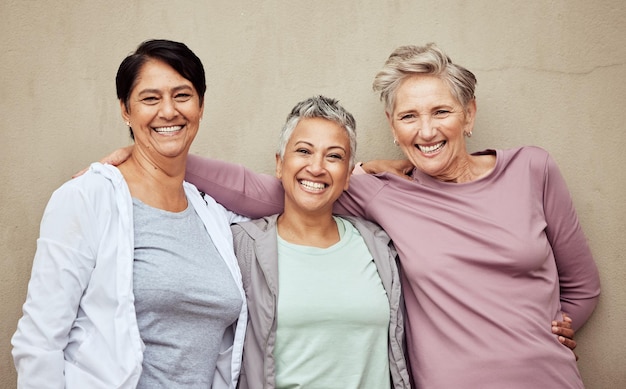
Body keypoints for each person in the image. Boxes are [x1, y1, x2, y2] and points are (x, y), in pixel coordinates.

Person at [177, 43, 601, 388]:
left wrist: (562, 325)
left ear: (468, 114)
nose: (426, 131)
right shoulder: (379, 192)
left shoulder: (532, 169)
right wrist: (163, 156)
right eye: (409, 117)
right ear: (393, 127)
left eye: (441, 111)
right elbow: (270, 190)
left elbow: (583, 287)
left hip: (549, 379)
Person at [12, 39, 247, 389]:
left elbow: (295, 197)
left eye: (182, 95)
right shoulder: (87, 198)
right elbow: (39, 340)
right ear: (125, 110)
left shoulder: (214, 214)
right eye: (150, 99)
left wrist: (355, 172)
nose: (168, 111)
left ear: (201, 105)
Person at [232, 96, 410, 388]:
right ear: (280, 164)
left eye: (334, 156)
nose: (316, 167)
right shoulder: (243, 246)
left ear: (350, 174)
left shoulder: (378, 245)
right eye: (304, 151)